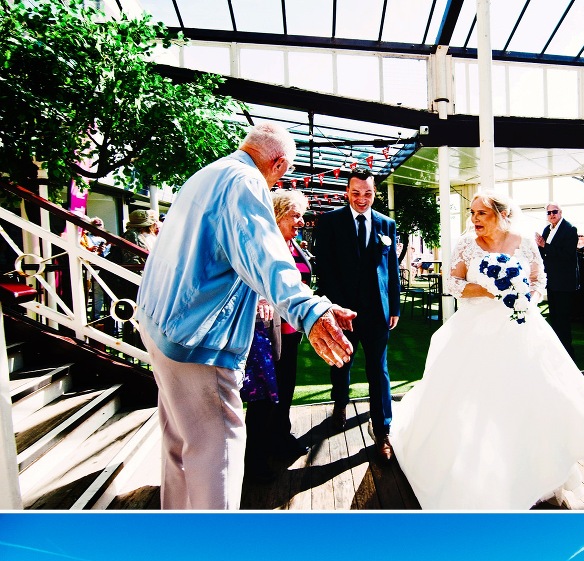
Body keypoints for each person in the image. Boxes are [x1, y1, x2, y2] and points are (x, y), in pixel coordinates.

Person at [135, 122, 355, 510]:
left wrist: (308, 301)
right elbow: (266, 256)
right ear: (279, 164)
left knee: (179, 446)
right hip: (197, 341)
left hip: (159, 327)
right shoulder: (245, 182)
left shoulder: (207, 174)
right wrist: (310, 309)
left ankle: (177, 541)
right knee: (218, 451)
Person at [389, 191, 584, 510]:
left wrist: (525, 299)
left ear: (500, 214)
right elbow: (454, 284)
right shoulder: (466, 243)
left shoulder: (523, 243)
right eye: (472, 213)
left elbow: (539, 279)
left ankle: (538, 472)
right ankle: (474, 472)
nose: (474, 219)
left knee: (532, 396)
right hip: (474, 328)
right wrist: (488, 290)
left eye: (480, 213)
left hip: (519, 326)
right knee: (471, 397)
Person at [313, 168, 400, 460]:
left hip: (377, 312)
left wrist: (395, 307)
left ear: (374, 193)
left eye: (368, 193)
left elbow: (392, 270)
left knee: (379, 370)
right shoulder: (329, 222)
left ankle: (382, 430)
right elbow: (323, 270)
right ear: (347, 193)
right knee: (341, 363)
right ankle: (340, 404)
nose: (362, 199)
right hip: (342, 311)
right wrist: (331, 308)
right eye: (356, 193)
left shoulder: (387, 224)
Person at [243, 189, 314, 482]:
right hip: (266, 335)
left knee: (284, 391)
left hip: (290, 332)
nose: (300, 221)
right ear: (277, 214)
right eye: (295, 215)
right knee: (263, 398)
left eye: (301, 215)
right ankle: (254, 461)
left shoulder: (292, 243)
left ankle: (281, 440)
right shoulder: (263, 244)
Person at [535, 202, 579, 358]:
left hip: (565, 281)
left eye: (554, 211)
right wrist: (538, 246)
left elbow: (567, 255)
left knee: (563, 318)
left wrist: (544, 245)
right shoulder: (547, 229)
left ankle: (567, 352)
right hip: (552, 279)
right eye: (548, 213)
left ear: (561, 212)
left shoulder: (570, 229)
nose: (551, 215)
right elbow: (544, 252)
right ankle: (556, 350)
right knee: (554, 316)